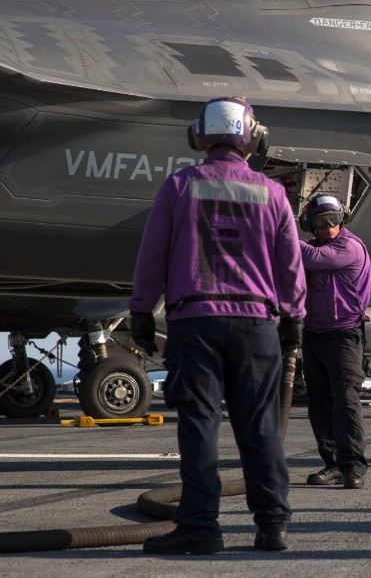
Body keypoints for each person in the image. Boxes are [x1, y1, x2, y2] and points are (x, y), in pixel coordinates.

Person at [130, 96, 306, 554]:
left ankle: (201, 529)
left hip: (196, 321)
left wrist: (141, 310)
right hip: (255, 325)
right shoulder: (272, 194)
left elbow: (152, 256)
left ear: (199, 136)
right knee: (262, 428)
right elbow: (290, 266)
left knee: (200, 427)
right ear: (254, 139)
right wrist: (294, 317)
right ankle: (273, 527)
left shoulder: (178, 186)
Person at [298, 195, 371, 490]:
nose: (329, 226)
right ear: (310, 224)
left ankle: (353, 466)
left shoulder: (348, 246)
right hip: (314, 333)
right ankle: (332, 465)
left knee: (345, 400)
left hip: (343, 335)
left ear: (344, 219)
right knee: (319, 402)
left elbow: (312, 259)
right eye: (321, 221)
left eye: (334, 219)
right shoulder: (314, 247)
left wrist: (277, 229)